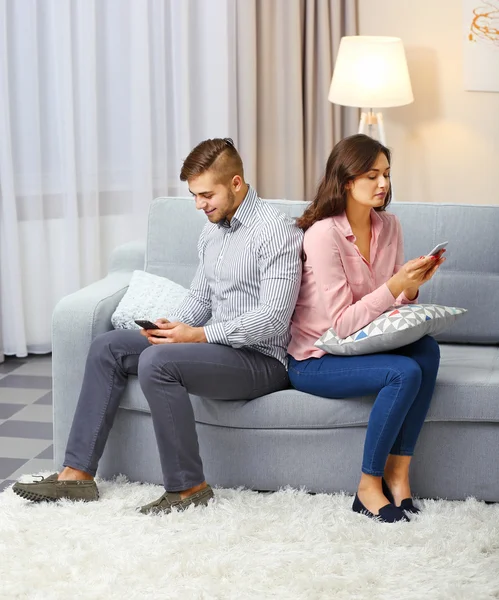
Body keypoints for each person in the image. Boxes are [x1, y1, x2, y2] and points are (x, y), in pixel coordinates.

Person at [13, 138, 303, 514]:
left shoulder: (276, 231)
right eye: (194, 195)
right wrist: (173, 327)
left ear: (235, 183)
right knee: (109, 347)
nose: (199, 205)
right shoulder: (212, 232)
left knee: (158, 363)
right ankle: (77, 475)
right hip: (215, 349)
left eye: (205, 194)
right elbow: (201, 299)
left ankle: (188, 489)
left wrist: (196, 336)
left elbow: (273, 318)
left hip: (261, 360)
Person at [287, 134, 444, 523]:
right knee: (402, 371)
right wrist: (393, 287)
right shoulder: (323, 235)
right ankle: (367, 486)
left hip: (362, 345)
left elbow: (392, 310)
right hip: (317, 357)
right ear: (345, 180)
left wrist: (410, 287)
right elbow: (341, 324)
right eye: (372, 175)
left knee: (428, 351)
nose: (383, 184)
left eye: (387, 174)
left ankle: (398, 473)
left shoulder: (389, 226)